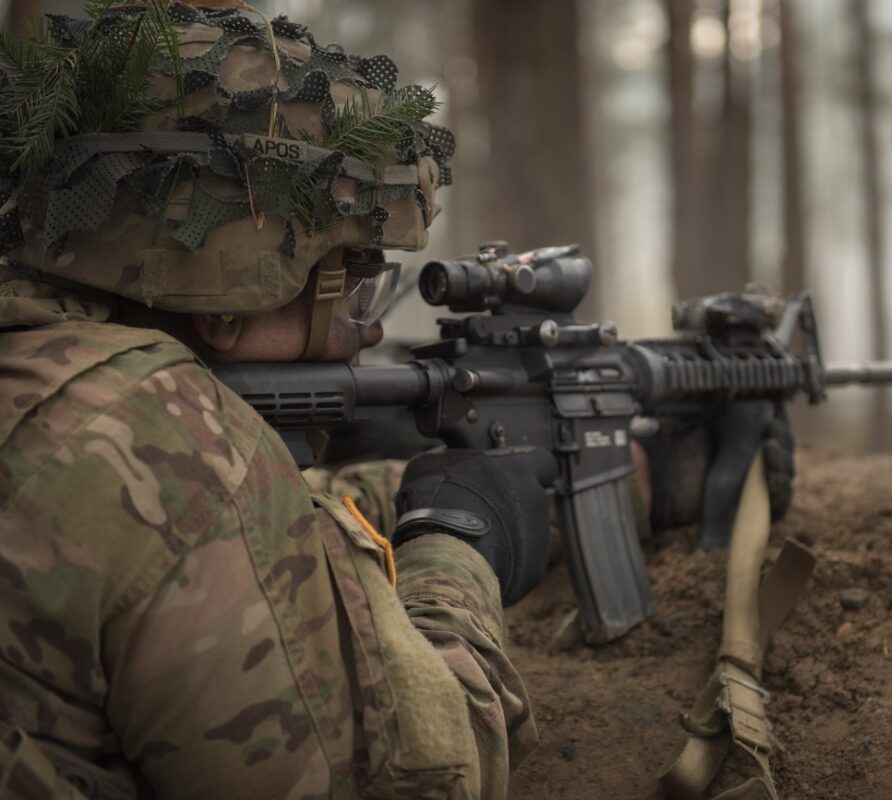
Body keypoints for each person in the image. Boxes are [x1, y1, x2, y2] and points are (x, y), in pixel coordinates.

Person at [0, 6, 550, 798]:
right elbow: (409, 778)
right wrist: (455, 550)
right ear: (230, 299)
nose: (363, 334)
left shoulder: (62, 385)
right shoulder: (187, 458)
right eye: (352, 289)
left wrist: (384, 493)